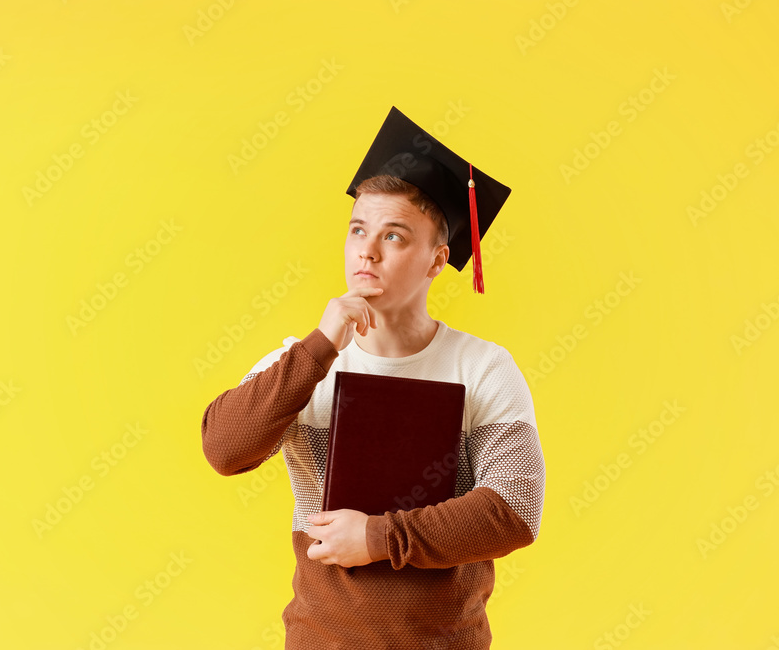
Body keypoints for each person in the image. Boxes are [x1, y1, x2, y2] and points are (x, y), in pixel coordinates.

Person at [201, 106, 545, 649]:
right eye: (358, 229)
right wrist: (320, 348)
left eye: (394, 236)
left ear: (437, 261)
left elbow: (513, 510)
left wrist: (378, 537)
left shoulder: (482, 367)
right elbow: (223, 449)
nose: (367, 250)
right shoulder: (303, 362)